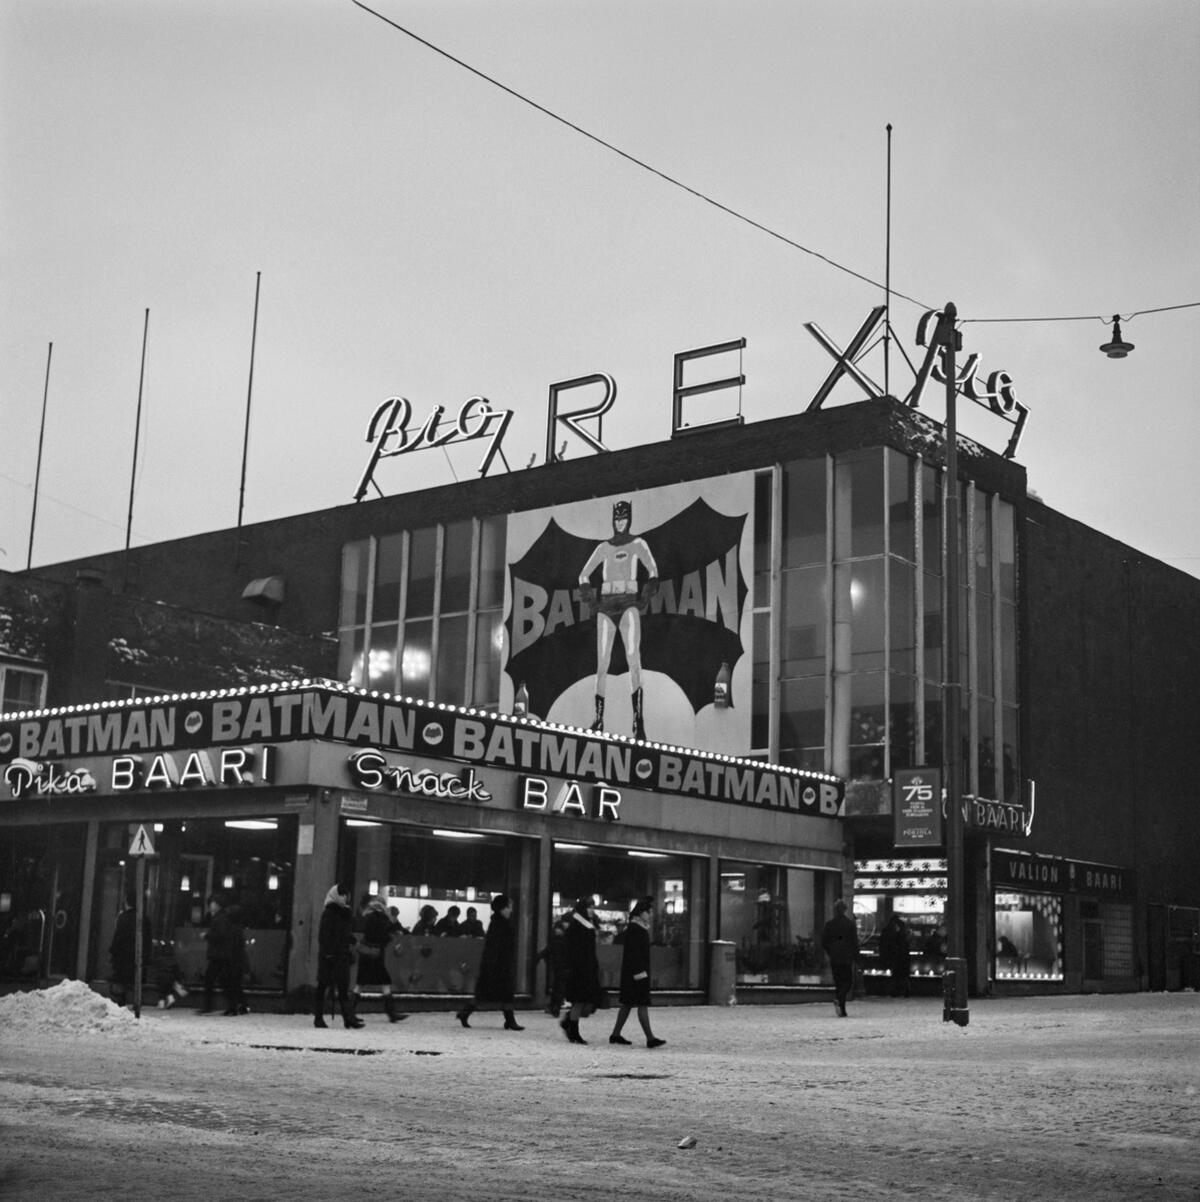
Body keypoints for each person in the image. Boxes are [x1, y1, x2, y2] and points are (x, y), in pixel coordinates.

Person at [578, 499, 659, 740]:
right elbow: (583, 574)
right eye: (618, 519)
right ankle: (599, 719)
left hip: (628, 604)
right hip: (606, 607)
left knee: (634, 660)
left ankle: (638, 721)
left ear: (629, 519)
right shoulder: (604, 548)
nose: (621, 523)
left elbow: (653, 571)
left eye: (624, 519)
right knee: (601, 664)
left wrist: (644, 598)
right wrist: (592, 602)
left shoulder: (638, 544)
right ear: (613, 521)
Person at [456, 894, 523, 1031]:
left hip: (497, 964)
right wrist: (493, 965)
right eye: (509, 907)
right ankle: (510, 1021)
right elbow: (495, 947)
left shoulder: (499, 923)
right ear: (502, 908)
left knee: (488, 993)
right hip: (498, 965)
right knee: (502, 993)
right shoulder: (500, 924)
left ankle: (465, 1013)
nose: (511, 910)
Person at [609, 898, 665, 1048]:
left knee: (627, 1003)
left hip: (632, 973)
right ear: (641, 913)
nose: (651, 914)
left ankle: (615, 1034)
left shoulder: (635, 928)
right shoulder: (637, 929)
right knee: (642, 1003)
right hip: (638, 974)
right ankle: (650, 1038)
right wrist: (641, 973)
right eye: (649, 911)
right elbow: (635, 953)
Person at [313, 884, 363, 1030]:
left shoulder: (344, 912)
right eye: (342, 894)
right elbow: (325, 934)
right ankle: (319, 1017)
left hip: (341, 954)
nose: (345, 897)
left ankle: (348, 1017)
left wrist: (351, 939)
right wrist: (328, 952)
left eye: (346, 895)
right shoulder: (329, 912)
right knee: (323, 986)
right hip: (330, 955)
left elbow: (343, 932)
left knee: (342, 986)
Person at [352, 893, 405, 1023]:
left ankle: (349, 1011)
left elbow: (368, 933)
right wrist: (389, 937)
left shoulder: (367, 915)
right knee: (384, 982)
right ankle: (391, 1013)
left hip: (366, 953)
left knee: (361, 983)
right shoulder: (381, 917)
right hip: (376, 954)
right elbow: (382, 935)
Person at [560, 897, 604, 1044]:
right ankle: (574, 1031)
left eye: (593, 906)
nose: (592, 909)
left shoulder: (584, 923)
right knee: (580, 1001)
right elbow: (575, 949)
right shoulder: (578, 926)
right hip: (580, 968)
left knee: (584, 1001)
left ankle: (569, 1024)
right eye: (589, 906)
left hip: (586, 967)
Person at [200, 893, 247, 1016]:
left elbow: (221, 935)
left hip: (219, 955)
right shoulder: (224, 919)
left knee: (217, 981)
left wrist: (207, 935)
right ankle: (236, 1005)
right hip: (223, 955)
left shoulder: (220, 919)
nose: (210, 906)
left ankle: (216, 1006)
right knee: (227, 981)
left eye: (212, 904)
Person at [108, 889, 151, 1009]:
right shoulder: (144, 919)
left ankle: (120, 1004)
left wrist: (113, 952)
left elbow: (118, 939)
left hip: (123, 958)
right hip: (137, 958)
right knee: (135, 983)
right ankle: (137, 1003)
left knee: (120, 985)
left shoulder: (123, 918)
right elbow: (147, 941)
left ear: (127, 902)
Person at [821, 898, 859, 1018]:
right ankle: (840, 1000)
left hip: (835, 957)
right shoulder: (849, 924)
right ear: (845, 910)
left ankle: (842, 1009)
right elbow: (854, 942)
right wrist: (857, 957)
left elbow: (824, 942)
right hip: (846, 957)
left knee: (838, 982)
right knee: (848, 981)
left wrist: (831, 952)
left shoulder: (829, 924)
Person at [535, 916, 570, 1016]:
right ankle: (555, 1005)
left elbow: (547, 950)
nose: (557, 930)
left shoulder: (556, 940)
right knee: (558, 987)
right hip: (561, 967)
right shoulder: (563, 940)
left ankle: (555, 1006)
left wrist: (539, 956)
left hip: (559, 967)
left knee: (558, 987)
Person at [879, 912, 912, 998]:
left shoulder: (889, 929)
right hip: (903, 956)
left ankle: (895, 991)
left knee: (896, 975)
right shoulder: (902, 929)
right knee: (903, 975)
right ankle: (905, 991)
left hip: (895, 955)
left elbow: (885, 943)